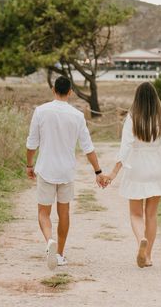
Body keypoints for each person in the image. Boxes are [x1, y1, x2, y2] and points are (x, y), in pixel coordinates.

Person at [26, 76, 109, 270]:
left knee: (43, 213)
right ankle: (60, 254)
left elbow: (32, 144)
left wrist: (29, 165)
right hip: (66, 171)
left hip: (46, 168)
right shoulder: (77, 116)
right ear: (70, 92)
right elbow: (88, 148)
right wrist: (98, 171)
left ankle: (49, 242)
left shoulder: (40, 111)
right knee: (64, 214)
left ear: (53, 89)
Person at [105, 82, 161, 268]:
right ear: (155, 99)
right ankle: (148, 256)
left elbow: (125, 148)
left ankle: (141, 241)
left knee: (136, 214)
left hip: (136, 168)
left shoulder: (132, 118)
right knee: (151, 215)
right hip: (156, 169)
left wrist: (113, 173)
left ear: (137, 98)